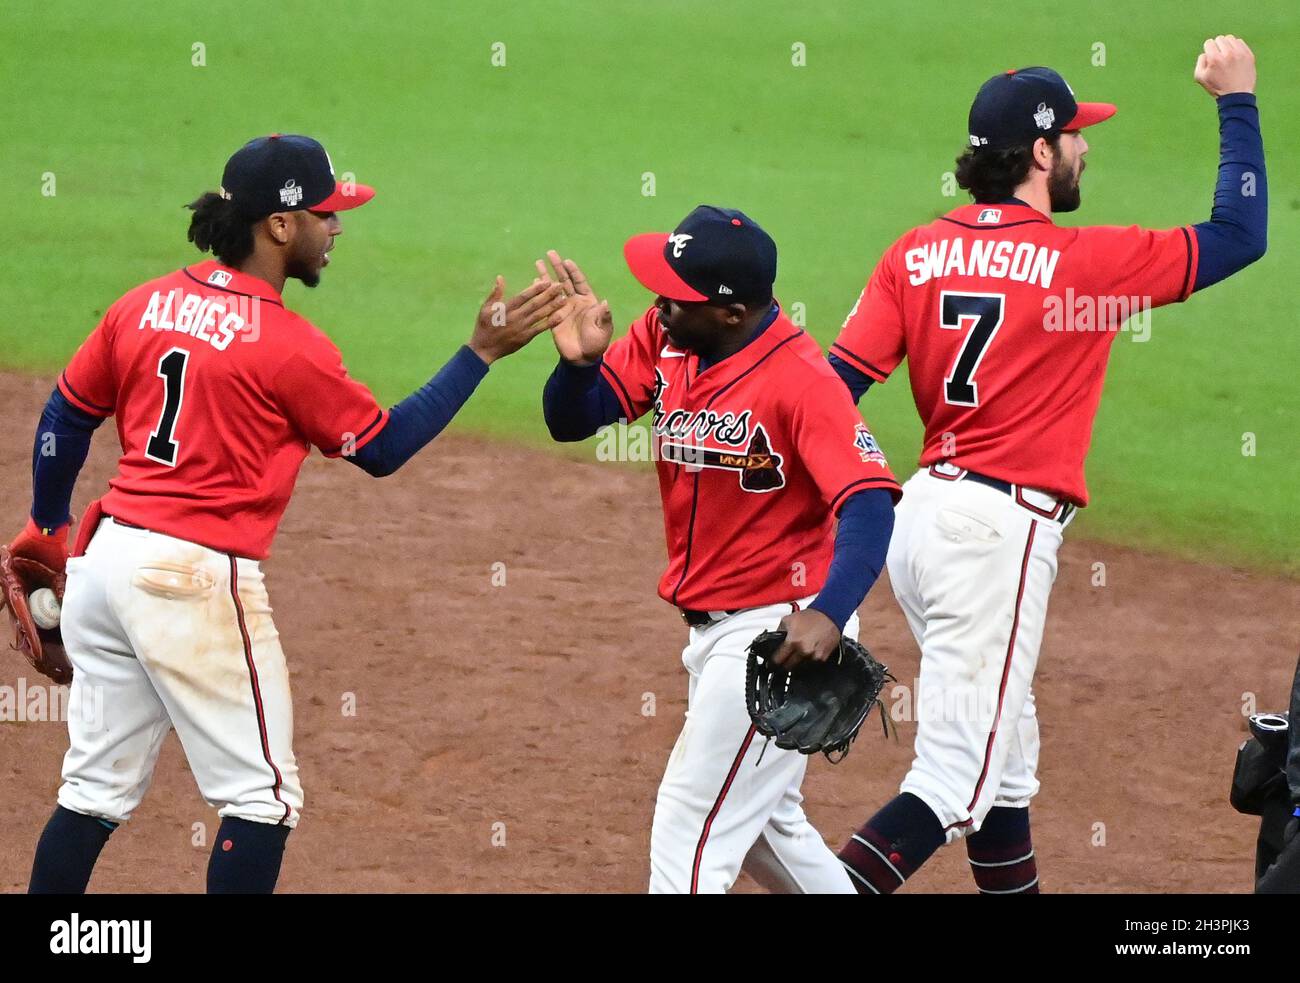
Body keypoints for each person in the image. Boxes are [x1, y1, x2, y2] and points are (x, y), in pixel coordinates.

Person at [15, 133, 567, 894]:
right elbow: (383, 446)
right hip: (192, 578)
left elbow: (63, 416)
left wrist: (46, 521)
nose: (336, 228)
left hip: (104, 568)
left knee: (91, 793)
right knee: (261, 802)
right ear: (279, 226)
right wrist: (480, 351)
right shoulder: (288, 346)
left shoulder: (139, 305)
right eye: (326, 214)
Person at [829, 37, 1267, 894]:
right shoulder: (1086, 264)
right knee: (955, 781)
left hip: (917, 520)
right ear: (1040, 152)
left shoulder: (911, 253)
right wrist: (1237, 100)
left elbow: (830, 391)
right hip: (995, 539)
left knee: (1007, 768)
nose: (1085, 146)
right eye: (1074, 134)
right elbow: (1241, 234)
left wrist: (847, 504)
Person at [538, 205, 900, 893]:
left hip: (780, 630)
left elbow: (869, 501)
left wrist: (829, 612)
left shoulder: (802, 381)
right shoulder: (666, 337)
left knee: (688, 824)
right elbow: (572, 419)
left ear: (732, 312)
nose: (657, 304)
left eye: (677, 296)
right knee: (768, 831)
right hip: (713, 630)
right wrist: (579, 368)